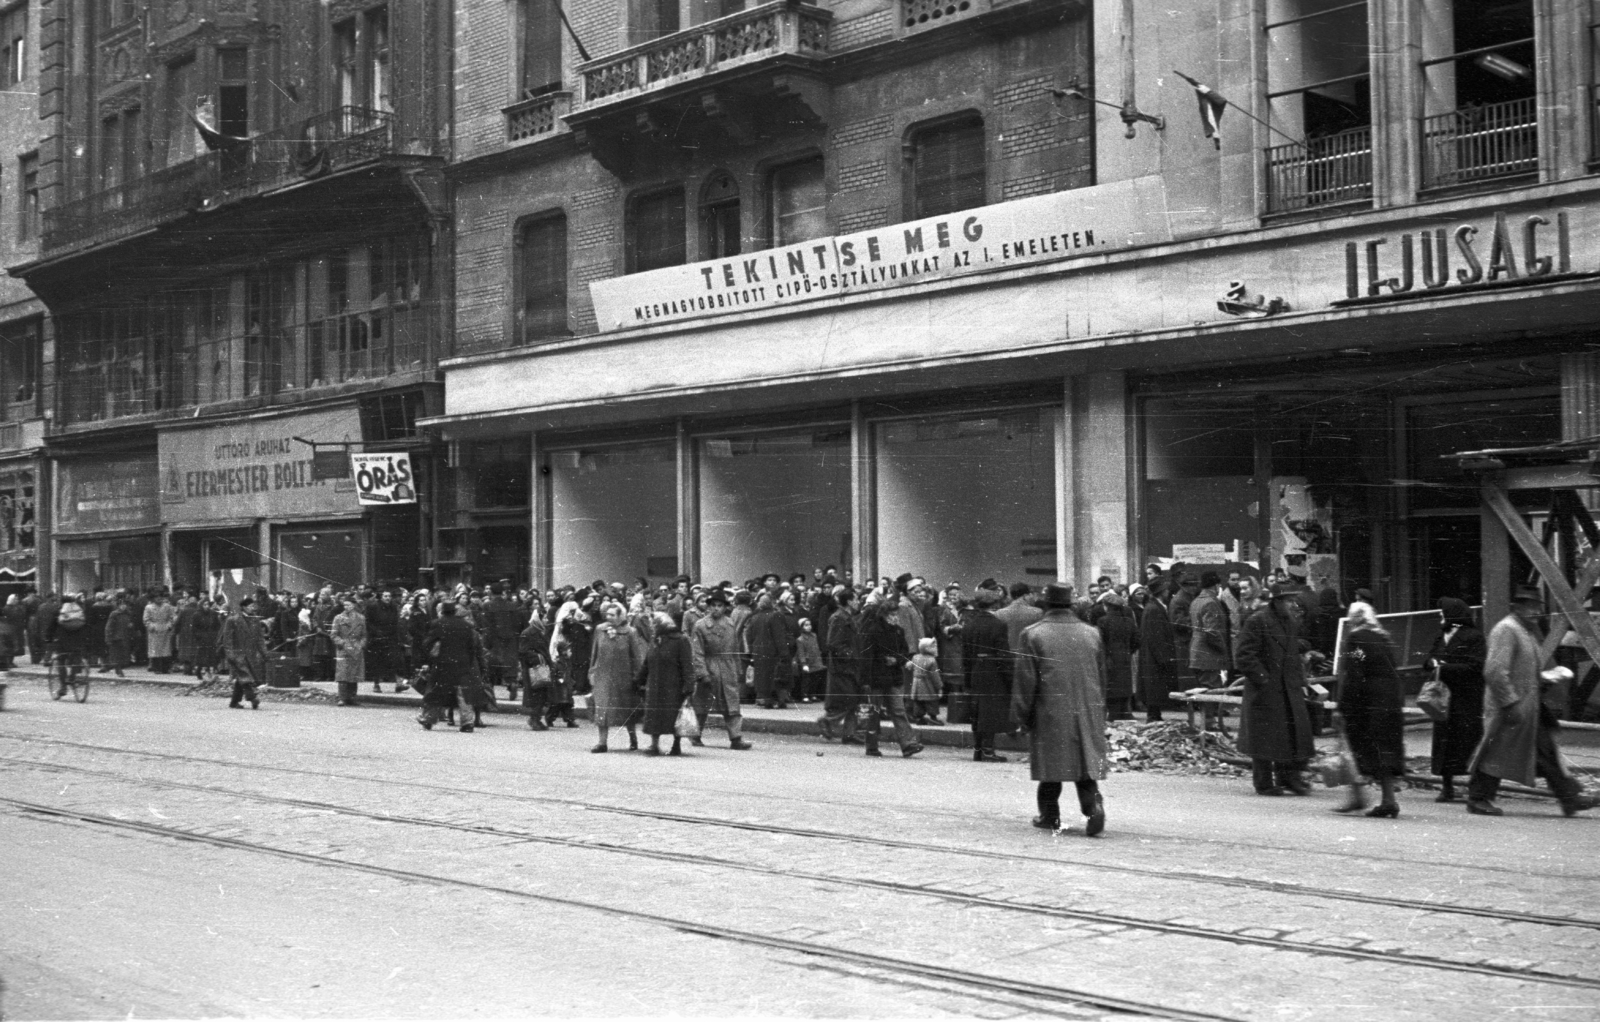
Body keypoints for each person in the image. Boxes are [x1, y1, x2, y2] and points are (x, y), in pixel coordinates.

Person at [1466, 587, 1599, 817]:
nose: (1536, 612)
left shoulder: (1525, 632)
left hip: (1526, 706)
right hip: (1509, 707)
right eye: (1530, 607)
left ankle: (1569, 797)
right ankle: (1478, 798)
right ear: (1517, 608)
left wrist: (1546, 678)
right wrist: (1509, 702)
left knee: (1543, 751)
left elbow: (1524, 670)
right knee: (1496, 751)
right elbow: (1495, 671)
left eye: (1538, 607)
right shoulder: (1507, 629)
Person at [1011, 583, 1109, 835]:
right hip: (1087, 707)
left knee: (1050, 767)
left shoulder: (1033, 634)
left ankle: (1049, 816)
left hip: (1050, 709)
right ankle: (1093, 807)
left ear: (1045, 604)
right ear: (1072, 604)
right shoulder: (1091, 633)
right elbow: (1101, 676)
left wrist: (1020, 715)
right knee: (1085, 767)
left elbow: (1025, 681)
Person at [1233, 582, 1314, 796]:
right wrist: (1263, 679)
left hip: (1288, 687)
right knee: (1264, 738)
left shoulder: (1289, 622)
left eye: (1293, 600)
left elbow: (1292, 654)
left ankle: (1288, 778)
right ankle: (1264, 782)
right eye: (1288, 600)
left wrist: (1300, 682)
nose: (1292, 604)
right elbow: (1243, 656)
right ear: (1277, 602)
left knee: (1288, 734)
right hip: (1266, 689)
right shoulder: (1257, 621)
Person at [1333, 602, 1406, 817]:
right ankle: (1385, 798)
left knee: (1361, 747)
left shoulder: (1357, 639)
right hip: (1390, 699)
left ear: (1355, 618)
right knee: (1385, 748)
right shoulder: (1383, 637)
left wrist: (1342, 707)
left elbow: (1355, 672)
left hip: (1368, 701)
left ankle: (1368, 798)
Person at [1424, 597, 1486, 803]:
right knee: (1444, 743)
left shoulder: (1474, 637)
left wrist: (1443, 667)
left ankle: (1474, 788)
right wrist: (1432, 662)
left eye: (1443, 612)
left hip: (1466, 697)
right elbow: (1429, 659)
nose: (1440, 616)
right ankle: (1447, 786)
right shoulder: (1441, 635)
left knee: (1468, 741)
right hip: (1444, 698)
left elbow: (1477, 666)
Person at [858, 596, 922, 758]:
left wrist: (898, 660)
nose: (895, 618)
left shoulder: (898, 631)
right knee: (874, 712)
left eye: (896, 615)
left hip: (893, 676)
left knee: (898, 710)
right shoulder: (873, 631)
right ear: (884, 616)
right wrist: (865, 681)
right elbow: (866, 657)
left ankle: (908, 744)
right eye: (891, 615)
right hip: (876, 678)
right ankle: (871, 746)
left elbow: (905, 652)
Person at [691, 590, 754, 749]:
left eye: (720, 606)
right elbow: (697, 652)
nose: (716, 609)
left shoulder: (730, 623)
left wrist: (738, 669)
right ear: (708, 607)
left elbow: (735, 647)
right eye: (713, 605)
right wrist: (702, 673)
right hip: (710, 665)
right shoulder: (700, 625)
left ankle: (736, 738)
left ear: (725, 607)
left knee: (732, 703)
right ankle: (696, 735)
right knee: (703, 704)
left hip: (728, 667)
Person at [963, 579, 1013, 763]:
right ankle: (988, 750)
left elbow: (965, 655)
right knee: (990, 712)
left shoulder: (969, 625)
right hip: (993, 672)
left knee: (977, 711)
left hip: (975, 670)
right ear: (995, 604)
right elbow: (1003, 654)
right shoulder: (998, 625)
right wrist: (1009, 676)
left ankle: (978, 750)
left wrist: (967, 679)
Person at [589, 602, 649, 753]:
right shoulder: (599, 629)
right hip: (602, 676)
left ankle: (633, 738)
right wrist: (591, 672)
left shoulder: (630, 632)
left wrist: (638, 677)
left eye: (612, 615)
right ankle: (602, 742)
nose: (608, 617)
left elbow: (636, 656)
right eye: (607, 614)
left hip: (624, 677)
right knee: (602, 708)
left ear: (620, 616)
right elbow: (594, 653)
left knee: (626, 709)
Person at [418, 601, 484, 733]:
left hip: (443, 663)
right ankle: (467, 722)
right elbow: (472, 647)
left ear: (442, 611)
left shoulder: (438, 624)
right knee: (463, 693)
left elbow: (427, 643)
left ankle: (429, 719)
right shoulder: (466, 626)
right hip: (463, 663)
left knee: (437, 691)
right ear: (455, 611)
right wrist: (469, 662)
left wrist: (429, 658)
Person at [637, 611, 695, 756]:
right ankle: (654, 744)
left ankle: (676, 745)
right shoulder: (655, 640)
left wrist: (689, 685)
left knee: (675, 715)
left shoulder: (680, 640)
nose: (651, 627)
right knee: (654, 715)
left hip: (673, 685)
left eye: (654, 624)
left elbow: (687, 664)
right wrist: (639, 679)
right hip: (655, 684)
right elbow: (647, 662)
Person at [819, 587, 863, 745]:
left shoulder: (848, 616)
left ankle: (850, 733)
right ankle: (828, 721)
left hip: (849, 665)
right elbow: (833, 643)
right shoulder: (839, 618)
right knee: (848, 699)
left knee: (854, 699)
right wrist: (850, 656)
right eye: (856, 599)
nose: (859, 602)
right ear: (850, 601)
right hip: (842, 667)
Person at [1137, 579, 1178, 722]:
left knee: (1154, 687)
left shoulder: (1154, 607)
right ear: (1161, 592)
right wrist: (1164, 658)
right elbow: (1156, 636)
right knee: (1154, 687)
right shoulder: (1154, 609)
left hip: (1153, 655)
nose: (1168, 592)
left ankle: (1155, 715)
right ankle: (1153, 717)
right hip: (1154, 657)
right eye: (1166, 590)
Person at [1096, 591, 1138, 720]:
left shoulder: (1102, 621)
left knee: (1111, 691)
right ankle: (1124, 715)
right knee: (1124, 690)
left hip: (1108, 660)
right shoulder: (1129, 622)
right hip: (1125, 659)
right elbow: (1137, 641)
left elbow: (1099, 642)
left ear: (1106, 606)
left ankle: (1113, 719)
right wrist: (1128, 651)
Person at [219, 596, 266, 710]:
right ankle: (252, 698)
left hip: (250, 654)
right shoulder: (233, 620)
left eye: (253, 606)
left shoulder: (255, 620)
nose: (252, 608)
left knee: (242, 677)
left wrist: (264, 653)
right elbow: (227, 639)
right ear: (244, 607)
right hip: (237, 653)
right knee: (245, 676)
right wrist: (229, 654)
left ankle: (234, 702)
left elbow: (259, 639)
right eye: (250, 606)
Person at [331, 595, 367, 707]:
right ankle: (342, 698)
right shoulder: (338, 618)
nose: (346, 607)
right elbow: (333, 634)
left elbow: (364, 635)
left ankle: (352, 697)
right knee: (342, 674)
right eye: (344, 605)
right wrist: (342, 643)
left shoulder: (361, 618)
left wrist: (361, 645)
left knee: (354, 673)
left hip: (356, 647)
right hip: (344, 648)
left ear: (354, 605)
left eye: (348, 605)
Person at [908, 637, 943, 725]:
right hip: (927, 684)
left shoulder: (915, 657)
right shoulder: (932, 660)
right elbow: (935, 676)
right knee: (931, 701)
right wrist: (939, 687)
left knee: (918, 701)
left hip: (916, 683)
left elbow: (910, 666)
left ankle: (919, 718)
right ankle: (933, 717)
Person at [795, 616, 826, 704]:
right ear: (801, 627)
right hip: (808, 662)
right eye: (806, 625)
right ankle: (804, 696)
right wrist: (803, 663)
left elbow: (816, 648)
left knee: (815, 679)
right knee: (806, 680)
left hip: (816, 660)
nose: (809, 626)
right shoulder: (800, 640)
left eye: (809, 624)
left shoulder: (814, 636)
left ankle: (812, 694)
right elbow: (801, 653)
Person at [142, 592, 176, 674]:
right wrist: (151, 626)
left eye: (160, 597)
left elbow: (172, 617)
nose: (159, 599)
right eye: (157, 597)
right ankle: (156, 668)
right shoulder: (148, 607)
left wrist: (169, 625)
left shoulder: (167, 606)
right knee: (155, 650)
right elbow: (146, 619)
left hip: (165, 628)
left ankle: (166, 668)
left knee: (166, 649)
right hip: (155, 630)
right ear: (153, 598)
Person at [104, 598, 134, 678]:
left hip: (125, 636)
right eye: (121, 605)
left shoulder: (128, 614)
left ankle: (113, 666)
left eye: (125, 604)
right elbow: (109, 626)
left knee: (123, 655)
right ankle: (118, 669)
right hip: (116, 637)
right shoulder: (114, 614)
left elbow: (130, 624)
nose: (123, 606)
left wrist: (131, 626)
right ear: (118, 606)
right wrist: (108, 637)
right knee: (117, 655)